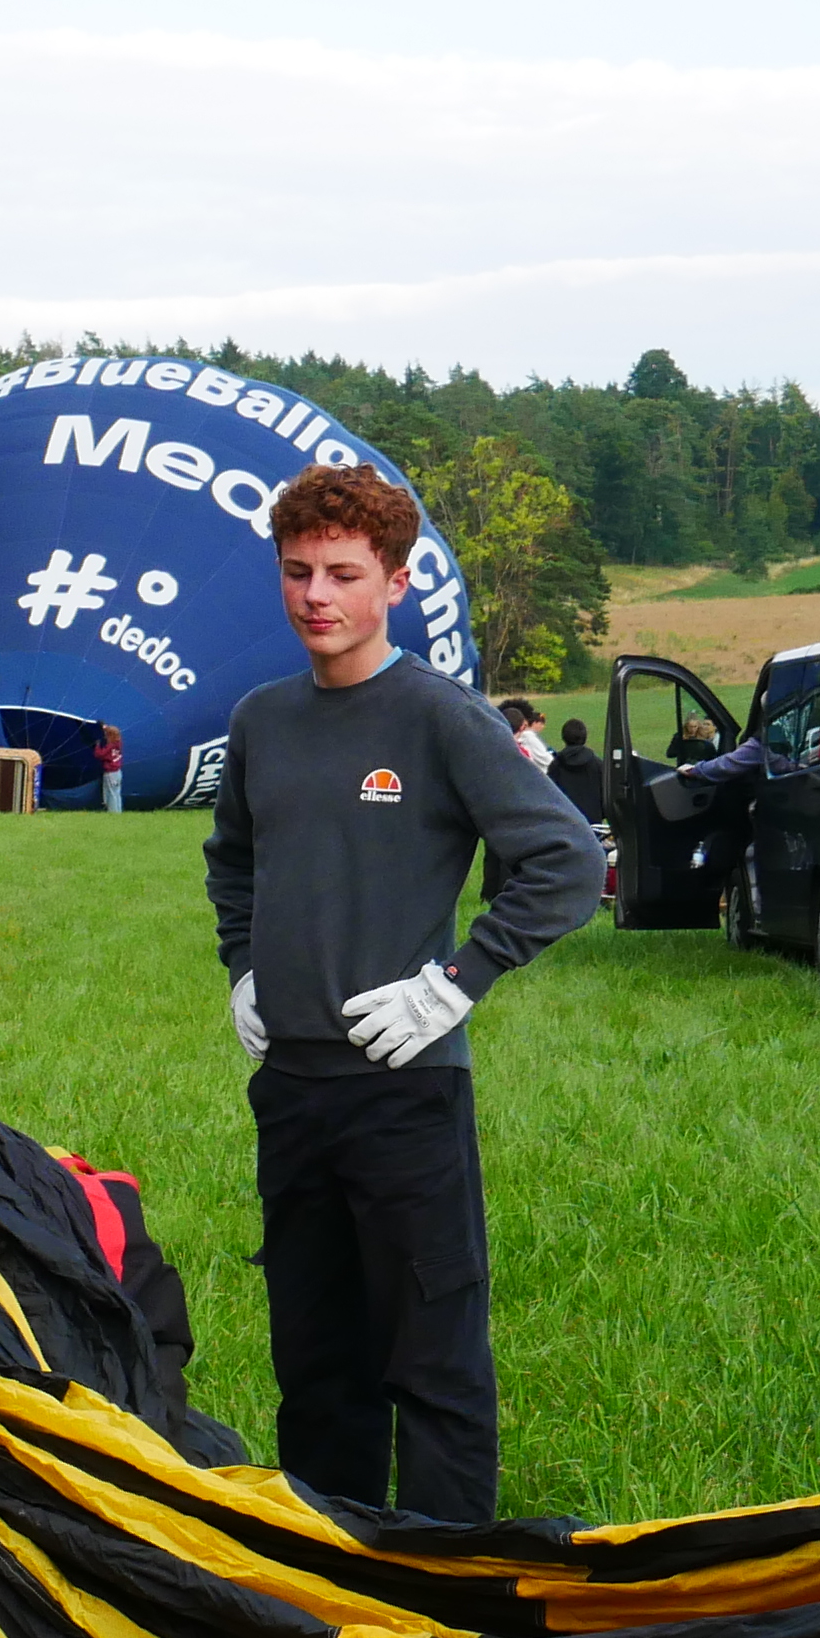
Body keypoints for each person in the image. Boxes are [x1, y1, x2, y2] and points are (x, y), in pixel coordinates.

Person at [204, 462, 602, 1521]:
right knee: (315, 1360)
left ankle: (446, 1591)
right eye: (296, 573)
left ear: (394, 579)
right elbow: (230, 857)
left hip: (403, 1092)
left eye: (342, 573)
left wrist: (456, 982)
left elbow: (566, 862)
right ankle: (336, 1575)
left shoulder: (439, 717)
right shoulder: (261, 721)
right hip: (290, 1092)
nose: (315, 597)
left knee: (429, 1357)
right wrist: (241, 962)